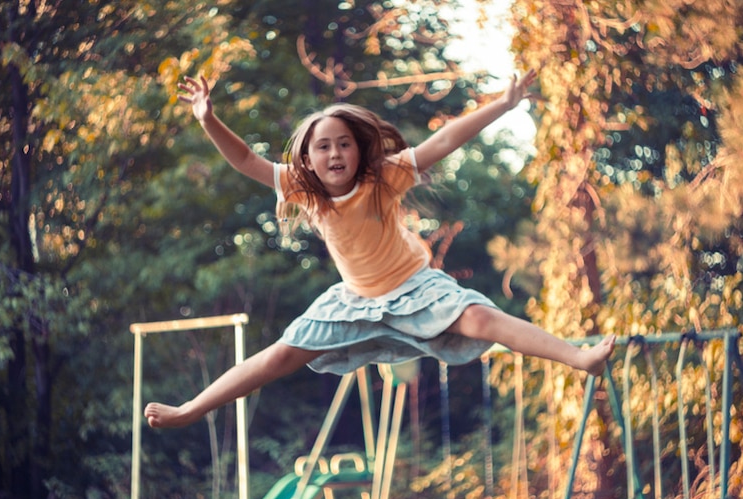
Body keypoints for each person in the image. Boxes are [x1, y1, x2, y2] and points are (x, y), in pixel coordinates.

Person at [145, 71, 615, 429]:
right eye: (323, 146)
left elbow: (445, 139)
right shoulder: (300, 186)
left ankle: (579, 357)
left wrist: (504, 105)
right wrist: (208, 119)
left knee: (481, 319)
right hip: (354, 299)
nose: (334, 154)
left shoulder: (382, 176)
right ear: (307, 159)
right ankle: (190, 410)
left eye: (344, 144)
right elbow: (246, 159)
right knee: (278, 356)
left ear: (358, 150)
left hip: (414, 286)